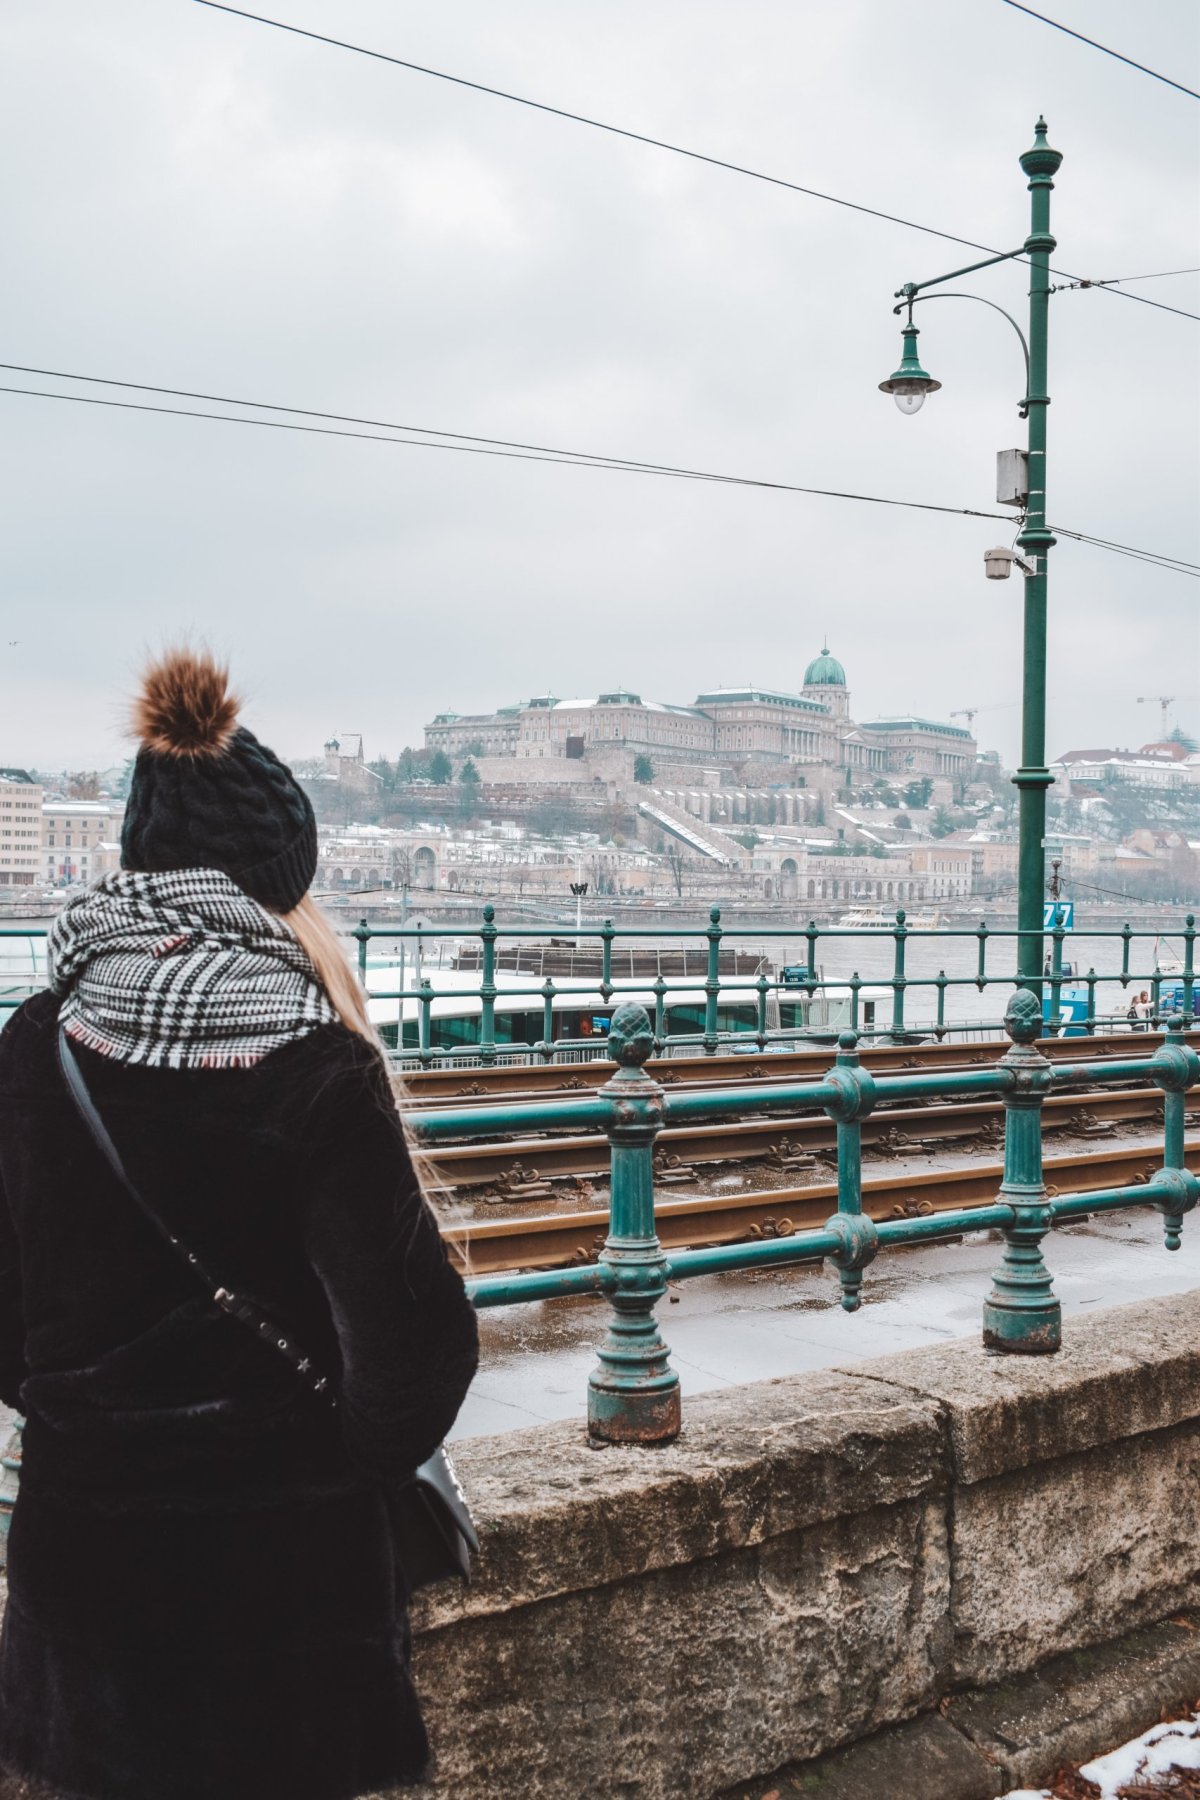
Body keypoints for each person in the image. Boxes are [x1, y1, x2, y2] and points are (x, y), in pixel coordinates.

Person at [0, 650, 478, 1800]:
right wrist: (302, 1456)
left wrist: (101, 1424)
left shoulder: (34, 1042)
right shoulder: (317, 1066)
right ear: (278, 885)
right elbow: (414, 1360)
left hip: (84, 1566)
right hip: (283, 1594)